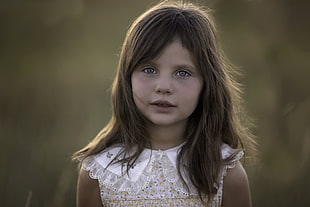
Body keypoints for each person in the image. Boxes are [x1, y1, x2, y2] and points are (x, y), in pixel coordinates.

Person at [73, 1, 256, 206]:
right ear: (128, 76)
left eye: (182, 73)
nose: (164, 86)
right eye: (149, 70)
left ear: (207, 83)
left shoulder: (225, 173)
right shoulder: (99, 172)